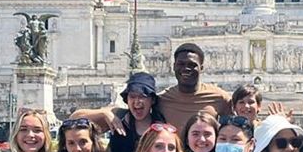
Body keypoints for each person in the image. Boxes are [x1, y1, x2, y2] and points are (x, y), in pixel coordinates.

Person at [78, 44, 231, 137]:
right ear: (173, 67)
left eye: (192, 65)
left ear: (202, 68)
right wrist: (104, 113)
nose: (186, 69)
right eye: (181, 64)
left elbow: (239, 129)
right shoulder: (161, 100)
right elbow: (75, 120)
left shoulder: (221, 98)